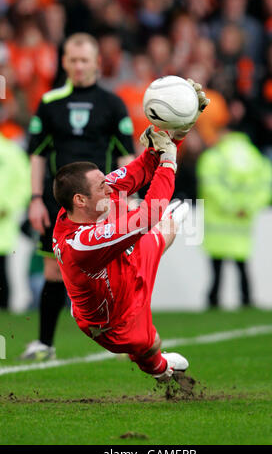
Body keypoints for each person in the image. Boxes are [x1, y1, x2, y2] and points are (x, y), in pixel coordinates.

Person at [51, 80, 209, 379]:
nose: (107, 185)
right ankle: (159, 368)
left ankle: (157, 361)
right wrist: (169, 165)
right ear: (80, 199)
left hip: (124, 262)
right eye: (101, 185)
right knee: (150, 349)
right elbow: (148, 214)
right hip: (115, 320)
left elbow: (142, 169)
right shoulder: (81, 244)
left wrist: (180, 128)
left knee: (169, 220)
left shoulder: (82, 204)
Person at [21, 32, 135, 360]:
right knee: (54, 271)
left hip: (103, 202)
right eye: (73, 60)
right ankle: (45, 343)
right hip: (60, 202)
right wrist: (35, 198)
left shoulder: (112, 104)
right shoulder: (50, 102)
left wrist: (128, 199)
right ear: (64, 62)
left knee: (115, 268)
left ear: (97, 62)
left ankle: (125, 337)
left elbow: (126, 156)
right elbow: (38, 155)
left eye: (85, 60)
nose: (79, 66)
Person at [196, 131, 272, 309]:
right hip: (242, 224)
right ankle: (246, 299)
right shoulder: (256, 157)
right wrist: (246, 207)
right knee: (242, 264)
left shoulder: (214, 157)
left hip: (217, 223)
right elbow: (266, 186)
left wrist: (229, 205)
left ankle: (213, 299)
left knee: (216, 267)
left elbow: (209, 185)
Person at [0, 133, 30, 309]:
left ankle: (6, 306)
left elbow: (24, 184)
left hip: (7, 222)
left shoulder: (11, 151)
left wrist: (9, 206)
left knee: (5, 268)